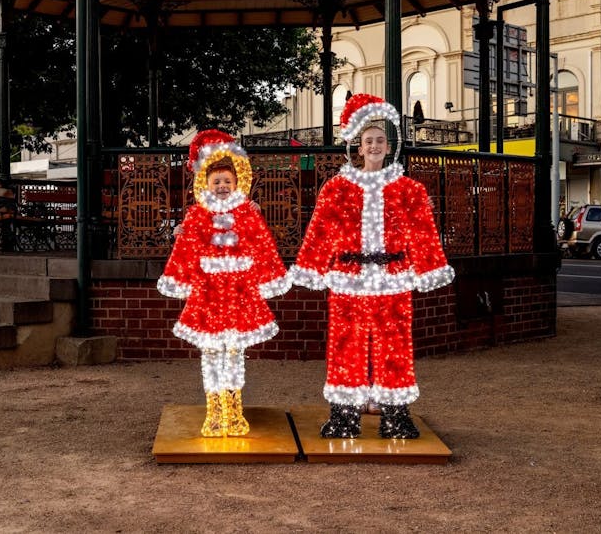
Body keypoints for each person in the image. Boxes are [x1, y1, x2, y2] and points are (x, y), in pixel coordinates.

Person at [289, 93, 455, 439]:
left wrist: (428, 267)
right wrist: (313, 266)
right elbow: (321, 229)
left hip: (393, 280)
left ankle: (395, 416)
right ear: (358, 147)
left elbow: (423, 231)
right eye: (369, 141)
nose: (375, 145)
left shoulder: (409, 189)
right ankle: (345, 416)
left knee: (394, 346)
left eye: (381, 140)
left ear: (388, 145)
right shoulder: (337, 188)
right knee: (345, 345)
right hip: (347, 280)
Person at [157, 129, 290, 437]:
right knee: (211, 354)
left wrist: (268, 279)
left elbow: (262, 247)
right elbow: (186, 252)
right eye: (216, 181)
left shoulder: (247, 213)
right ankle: (215, 411)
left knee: (234, 354)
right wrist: (181, 272)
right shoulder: (197, 215)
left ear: (237, 183)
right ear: (205, 183)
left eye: (227, 182)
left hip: (239, 294)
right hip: (208, 295)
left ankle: (234, 408)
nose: (221, 187)